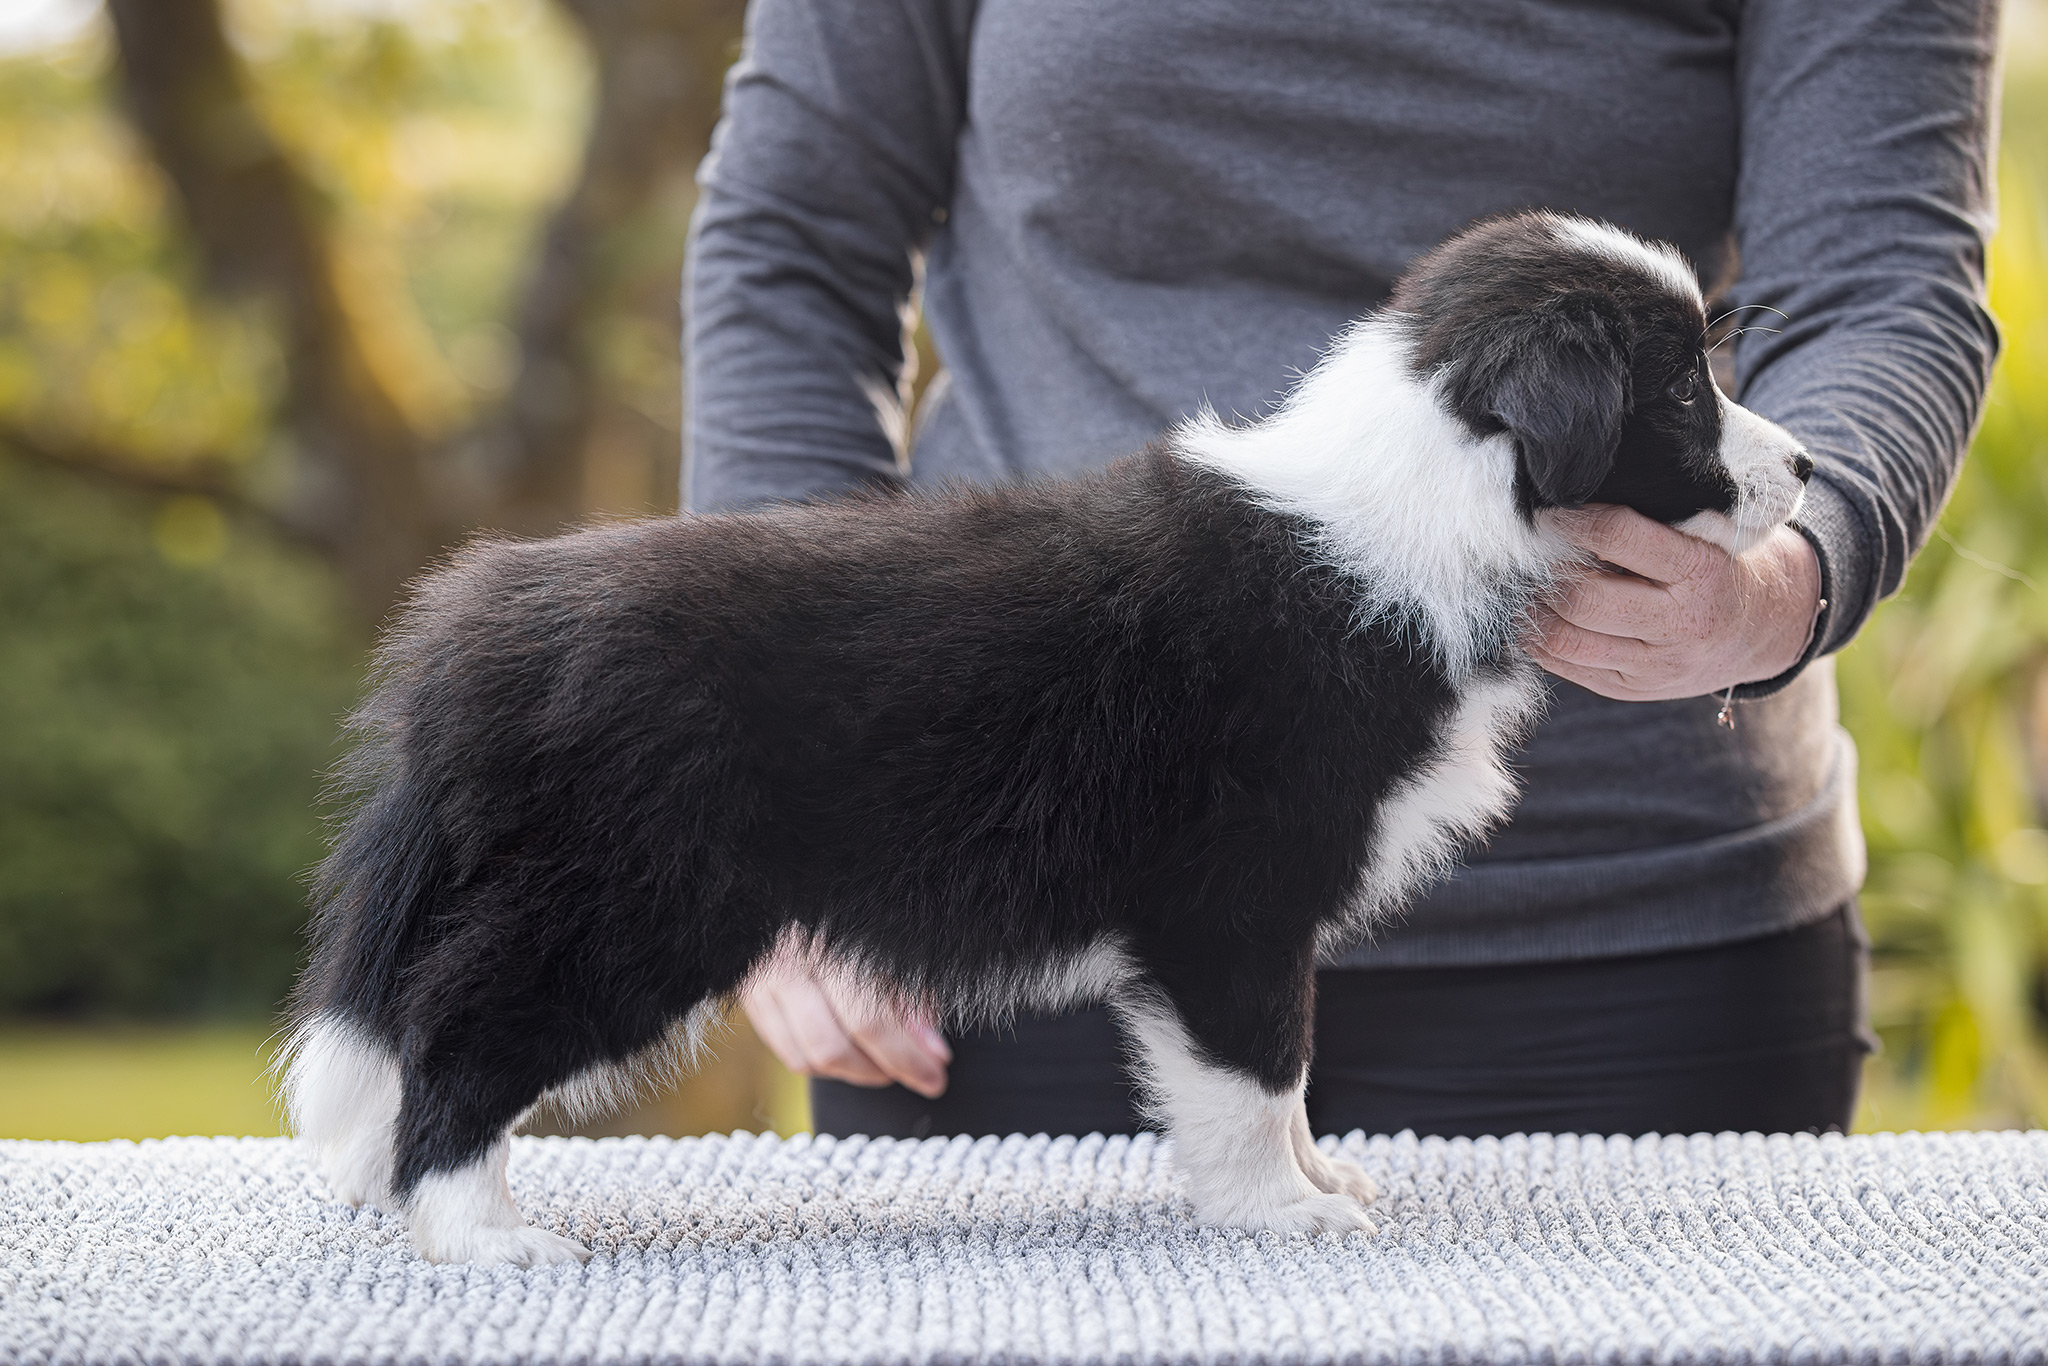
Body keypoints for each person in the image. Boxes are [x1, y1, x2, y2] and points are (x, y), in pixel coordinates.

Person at [684, 0, 2001, 1140]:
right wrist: (780, 768)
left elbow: (1884, 275)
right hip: (1015, 884)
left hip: (1630, 943)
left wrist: (1790, 574)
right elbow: (794, 237)